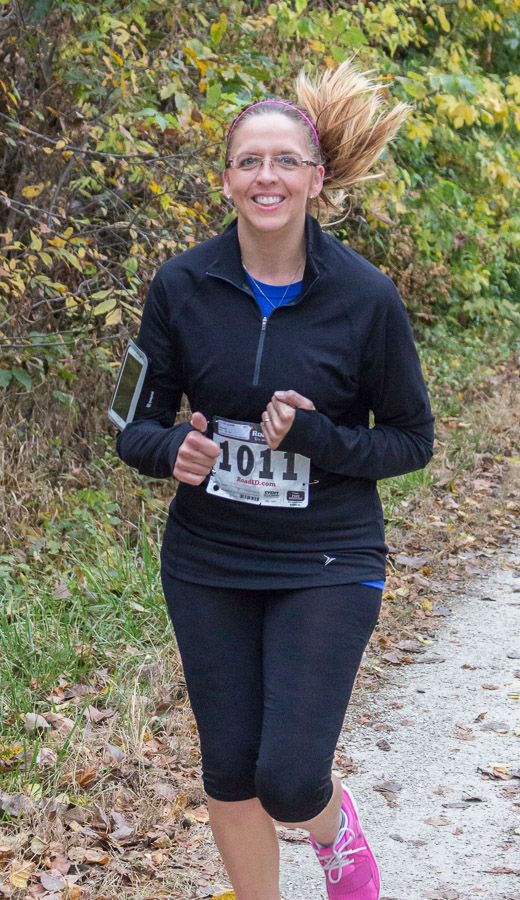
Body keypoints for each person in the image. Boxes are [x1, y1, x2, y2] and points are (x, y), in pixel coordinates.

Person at [116, 58, 434, 900]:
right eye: (249, 161)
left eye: (286, 160)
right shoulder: (181, 286)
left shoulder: (366, 297)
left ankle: (336, 831)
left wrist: (320, 438)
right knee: (229, 770)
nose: (268, 176)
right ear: (227, 179)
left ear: (315, 178)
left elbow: (412, 440)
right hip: (209, 557)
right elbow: (132, 423)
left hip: (327, 555)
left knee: (290, 778)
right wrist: (169, 451)